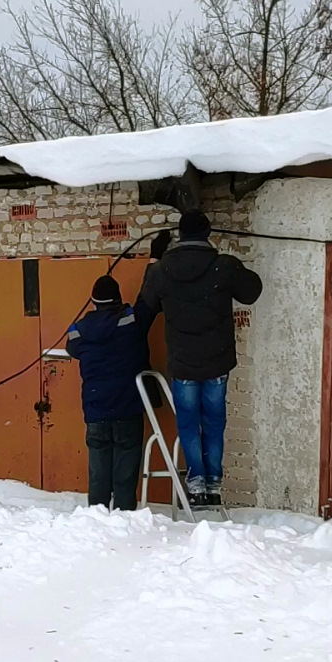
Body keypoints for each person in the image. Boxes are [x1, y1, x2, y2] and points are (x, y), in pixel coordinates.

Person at [137, 210, 263, 509]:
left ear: (179, 235)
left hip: (183, 364)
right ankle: (214, 487)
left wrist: (155, 259)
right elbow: (252, 291)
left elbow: (146, 305)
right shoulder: (223, 267)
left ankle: (195, 485)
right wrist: (234, 268)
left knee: (189, 425)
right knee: (215, 423)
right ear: (207, 233)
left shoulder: (164, 270)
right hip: (217, 362)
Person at [65, 274, 151, 510]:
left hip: (96, 411)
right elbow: (147, 303)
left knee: (98, 473)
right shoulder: (131, 322)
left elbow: (71, 347)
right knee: (125, 473)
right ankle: (124, 517)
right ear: (118, 299)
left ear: (93, 302)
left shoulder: (80, 331)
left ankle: (98, 515)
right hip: (128, 408)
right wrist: (153, 262)